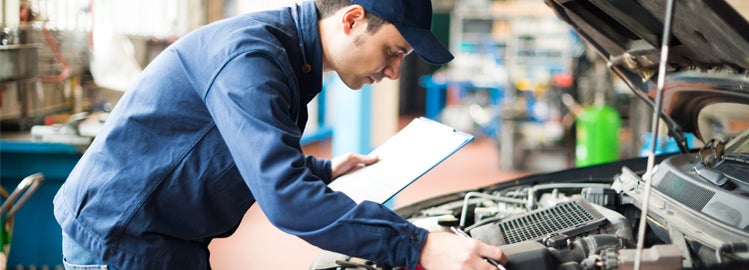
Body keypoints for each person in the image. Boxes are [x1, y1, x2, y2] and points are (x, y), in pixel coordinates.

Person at [53, 0, 507, 269]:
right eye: (392, 52)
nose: (393, 71)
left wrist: (323, 168)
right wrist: (423, 246)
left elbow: (233, 148)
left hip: (164, 234)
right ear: (351, 20)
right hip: (120, 240)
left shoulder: (290, 58)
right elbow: (286, 200)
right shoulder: (252, 56)